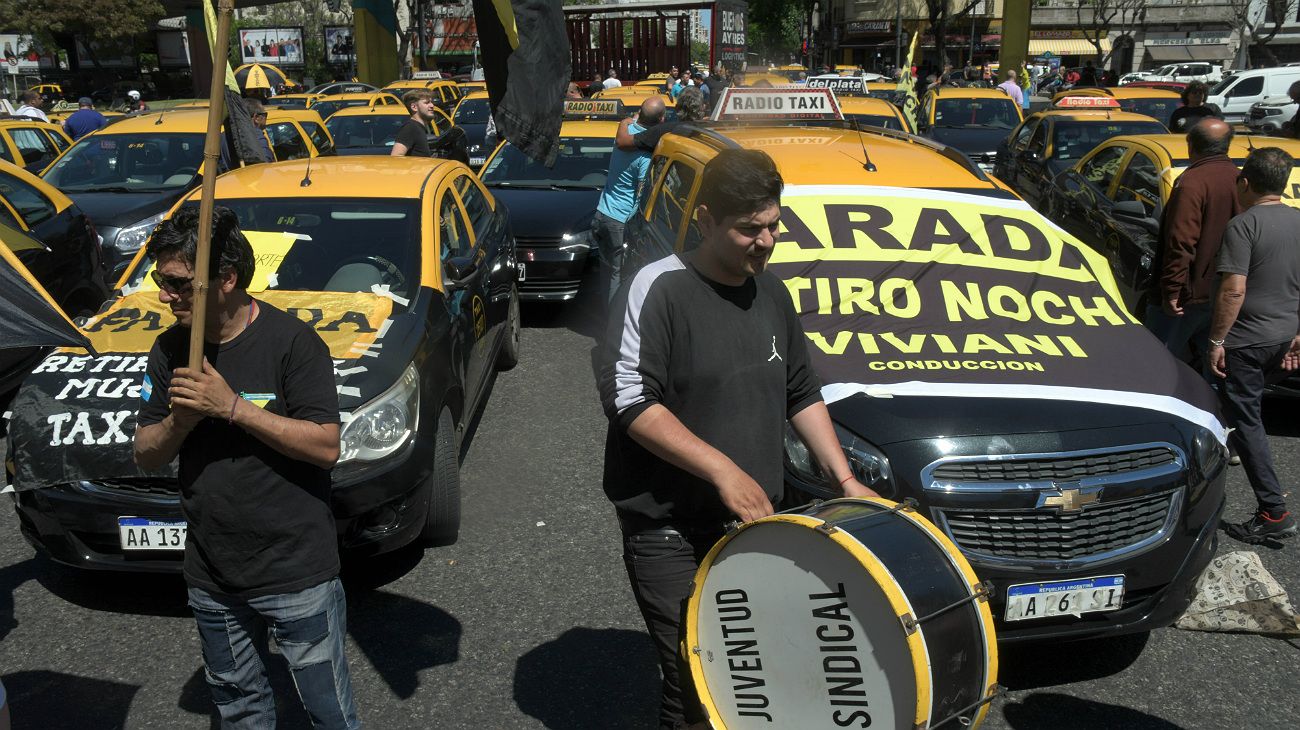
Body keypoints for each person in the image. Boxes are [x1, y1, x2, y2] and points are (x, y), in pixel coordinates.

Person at [598, 148, 879, 730]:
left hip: (757, 529)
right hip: (670, 532)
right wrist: (722, 469)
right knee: (693, 685)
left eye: (774, 225)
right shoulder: (658, 289)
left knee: (759, 679)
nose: (767, 241)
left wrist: (846, 481)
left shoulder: (772, 295)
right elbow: (629, 399)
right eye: (749, 229)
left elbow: (801, 392)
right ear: (704, 220)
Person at [132, 207, 360, 729]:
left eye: (179, 283)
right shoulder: (170, 350)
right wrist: (180, 422)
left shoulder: (293, 344)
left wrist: (232, 407)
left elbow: (326, 446)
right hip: (213, 576)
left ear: (227, 279)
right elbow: (145, 453)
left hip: (295, 571)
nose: (165, 295)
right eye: (159, 280)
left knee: (327, 711)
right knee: (240, 708)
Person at [1208, 147, 1300, 543]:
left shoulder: (1243, 226)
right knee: (1243, 411)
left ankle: (1273, 510)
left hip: (1246, 341)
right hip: (1284, 335)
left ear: (1245, 183)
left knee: (1247, 420)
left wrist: (1216, 340)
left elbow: (1233, 291)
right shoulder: (1297, 221)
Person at [1146, 119, 1240, 365]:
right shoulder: (1240, 180)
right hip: (1225, 293)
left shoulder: (1192, 183)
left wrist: (1172, 291)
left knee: (1159, 361)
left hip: (1189, 297)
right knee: (1214, 363)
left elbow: (1181, 242)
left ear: (1191, 146)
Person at [593, 97, 665, 305]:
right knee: (619, 275)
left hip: (601, 213)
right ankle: (614, 325)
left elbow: (629, 121)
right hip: (620, 221)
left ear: (639, 114)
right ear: (661, 119)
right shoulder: (644, 157)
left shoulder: (624, 135)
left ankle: (603, 313)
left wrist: (630, 119)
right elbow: (641, 195)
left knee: (606, 271)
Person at [614, 86, 707, 154]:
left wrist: (624, 122)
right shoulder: (713, 130)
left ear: (677, 107)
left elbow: (622, 142)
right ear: (703, 107)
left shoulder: (663, 130)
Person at [391, 89, 436, 157]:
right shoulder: (410, 128)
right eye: (427, 102)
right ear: (414, 107)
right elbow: (396, 157)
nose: (432, 105)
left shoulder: (418, 128)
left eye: (431, 102)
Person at [243, 97, 275, 162]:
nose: (266, 118)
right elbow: (266, 166)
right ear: (256, 118)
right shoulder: (258, 138)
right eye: (265, 114)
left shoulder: (225, 136)